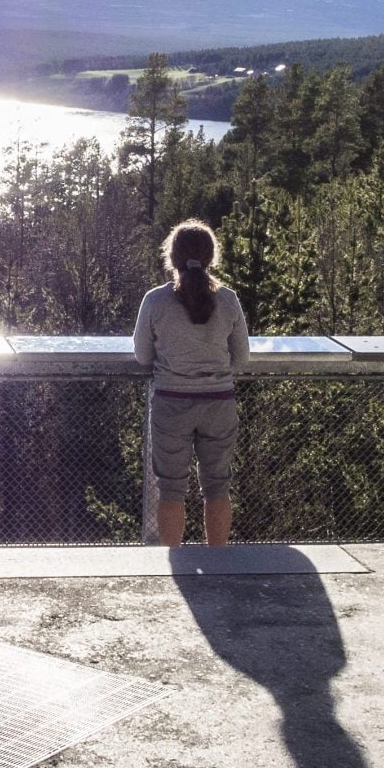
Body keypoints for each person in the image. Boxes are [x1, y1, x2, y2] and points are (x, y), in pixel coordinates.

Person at [133, 219, 248, 547]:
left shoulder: (155, 301)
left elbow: (142, 356)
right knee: (217, 486)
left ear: (172, 257)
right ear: (212, 257)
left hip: (172, 402)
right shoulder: (229, 300)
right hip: (219, 404)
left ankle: (175, 564)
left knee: (171, 487)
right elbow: (241, 359)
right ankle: (218, 564)